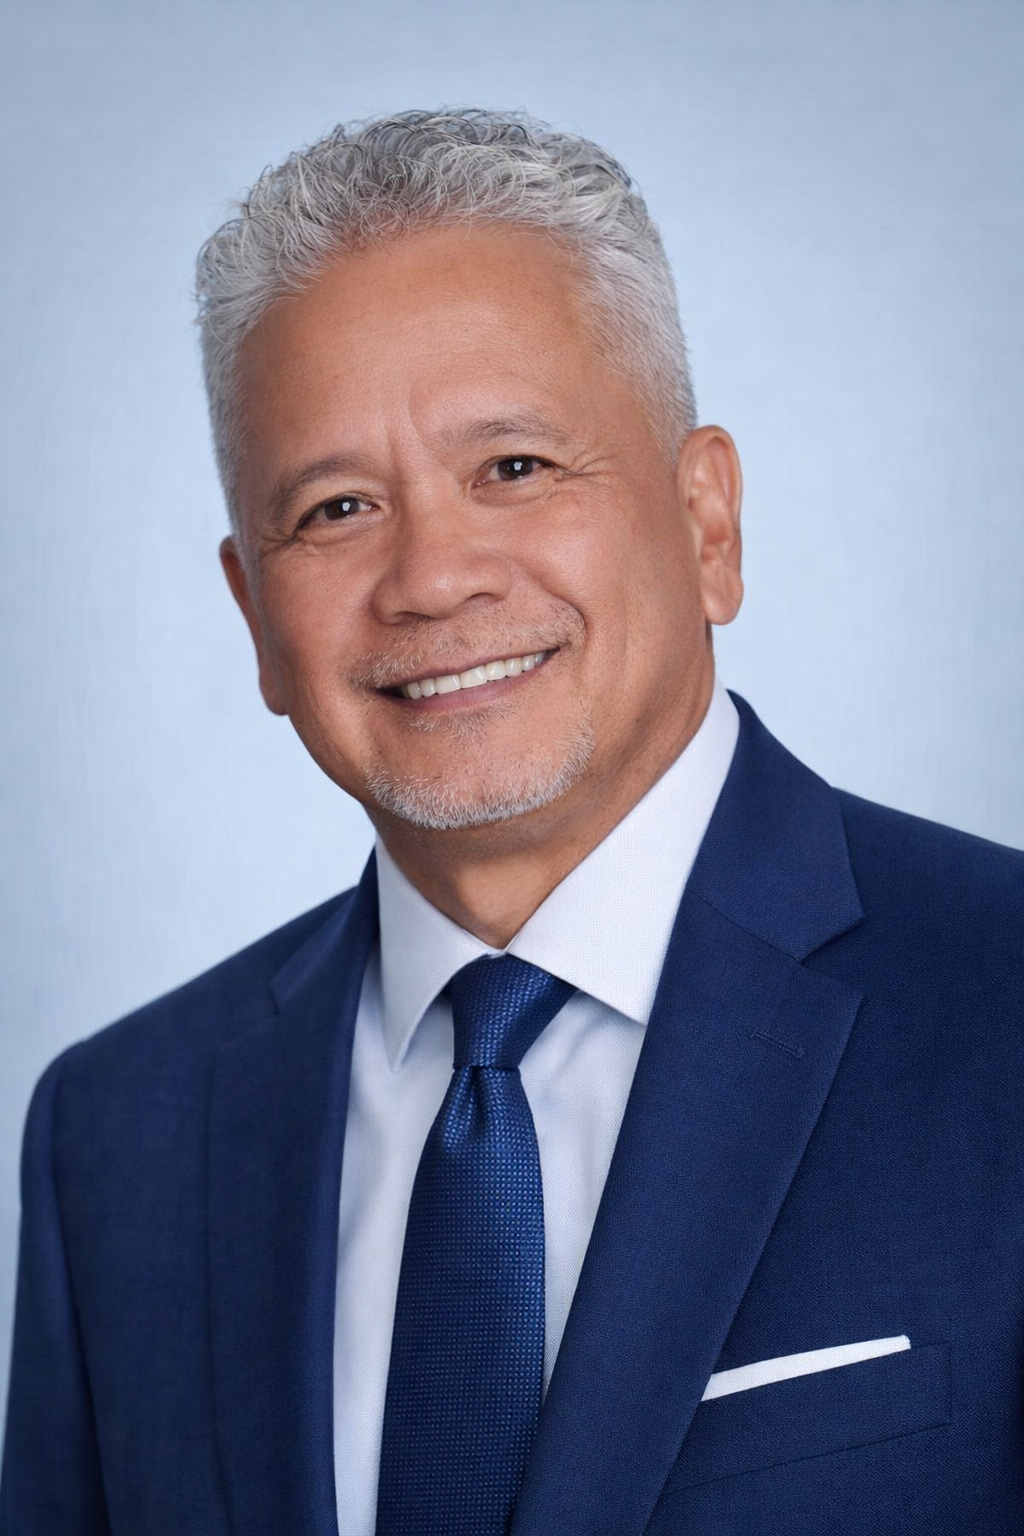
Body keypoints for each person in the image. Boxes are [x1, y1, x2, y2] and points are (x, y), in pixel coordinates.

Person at [2, 108, 1022, 1536]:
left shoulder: (1002, 1003)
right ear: (256, 617)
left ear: (705, 520)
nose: (431, 578)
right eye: (339, 506)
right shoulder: (120, 1137)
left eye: (516, 469)